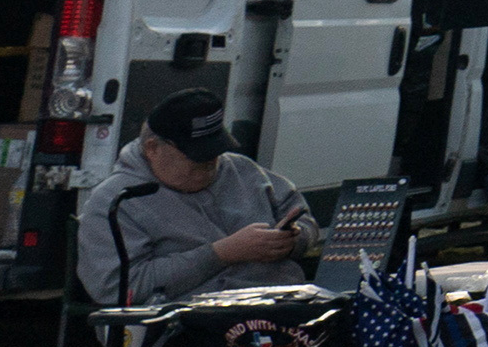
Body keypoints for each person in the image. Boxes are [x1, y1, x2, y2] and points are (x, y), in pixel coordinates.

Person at [77, 90, 318, 306]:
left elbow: (303, 219)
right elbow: (116, 288)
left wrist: (292, 241)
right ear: (153, 148)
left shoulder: (244, 171)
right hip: (187, 321)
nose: (211, 163)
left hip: (279, 303)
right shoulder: (117, 200)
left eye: (215, 152)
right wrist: (221, 254)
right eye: (197, 156)